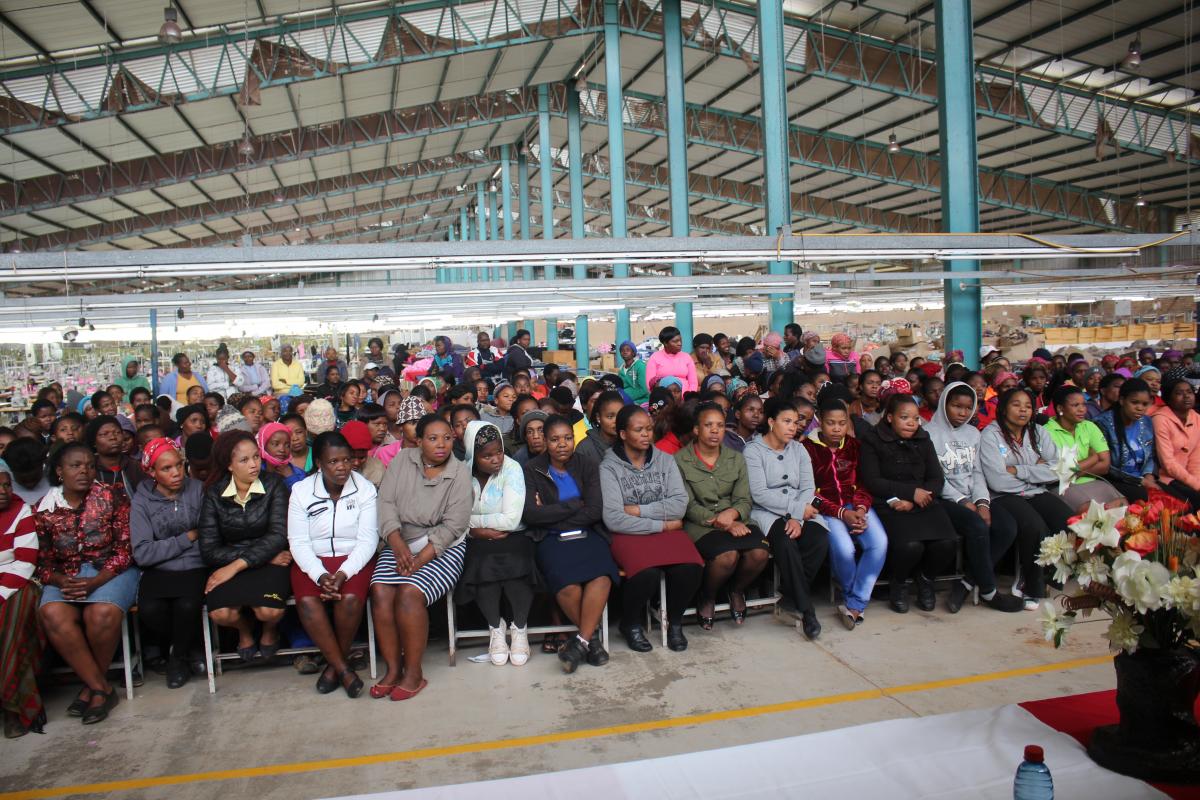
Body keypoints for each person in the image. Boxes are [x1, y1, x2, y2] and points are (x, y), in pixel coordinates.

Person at [370, 414, 472, 700]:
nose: (441, 445)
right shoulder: (403, 461)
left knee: (409, 592)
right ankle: (393, 669)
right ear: (418, 441)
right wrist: (395, 541)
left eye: (447, 438)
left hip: (442, 548)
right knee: (380, 591)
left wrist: (418, 560)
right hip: (399, 541)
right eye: (433, 438)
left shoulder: (460, 472)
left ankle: (413, 672)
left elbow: (453, 526)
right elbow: (386, 502)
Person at [36, 443, 137, 725]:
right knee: (52, 613)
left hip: (110, 571)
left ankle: (92, 688)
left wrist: (97, 581)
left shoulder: (111, 496)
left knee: (100, 613)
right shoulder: (44, 510)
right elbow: (42, 562)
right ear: (59, 471)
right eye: (75, 465)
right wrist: (59, 579)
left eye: (89, 466)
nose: (84, 470)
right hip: (65, 575)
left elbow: (125, 549)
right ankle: (100, 687)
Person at [599, 406, 702, 653]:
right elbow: (614, 518)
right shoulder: (609, 467)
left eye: (649, 428)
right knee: (646, 573)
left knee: (691, 567)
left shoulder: (665, 460)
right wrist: (661, 524)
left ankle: (674, 621)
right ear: (623, 434)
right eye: (639, 430)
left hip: (657, 529)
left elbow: (679, 504)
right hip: (629, 534)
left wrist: (638, 509)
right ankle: (631, 623)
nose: (646, 434)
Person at [522, 415, 619, 672]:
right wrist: (574, 506)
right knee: (568, 586)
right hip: (552, 539)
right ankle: (592, 641)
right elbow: (531, 514)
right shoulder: (532, 469)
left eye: (567, 438)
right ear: (545, 441)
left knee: (601, 576)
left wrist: (553, 512)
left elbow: (596, 510)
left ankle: (582, 642)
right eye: (554, 439)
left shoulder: (587, 464)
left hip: (588, 533)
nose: (562, 444)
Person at [287, 432, 376, 698]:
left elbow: (368, 539)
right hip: (313, 561)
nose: (342, 467)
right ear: (319, 464)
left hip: (353, 559)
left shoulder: (365, 489)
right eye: (333, 462)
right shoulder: (301, 492)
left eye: (346, 460)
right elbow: (298, 542)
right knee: (307, 602)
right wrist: (320, 575)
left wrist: (343, 573)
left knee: (349, 598)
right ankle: (343, 668)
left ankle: (332, 669)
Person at [923, 382, 1024, 613]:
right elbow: (936, 478)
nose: (962, 413)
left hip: (973, 496)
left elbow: (978, 471)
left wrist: (981, 502)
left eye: (968, 408)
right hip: (945, 499)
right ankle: (989, 591)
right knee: (978, 526)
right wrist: (963, 502)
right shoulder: (929, 433)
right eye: (957, 406)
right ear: (944, 404)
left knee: (1007, 526)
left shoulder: (973, 433)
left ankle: (966, 583)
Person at [858, 394, 958, 614]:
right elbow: (872, 481)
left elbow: (936, 478)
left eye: (915, 418)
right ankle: (899, 583)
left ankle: (925, 579)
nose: (911, 423)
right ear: (890, 417)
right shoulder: (872, 439)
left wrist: (916, 499)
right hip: (889, 500)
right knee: (910, 546)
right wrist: (910, 493)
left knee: (947, 543)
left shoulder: (923, 438)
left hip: (922, 501)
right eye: (905, 417)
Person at [198, 430, 292, 663]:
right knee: (221, 614)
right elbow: (209, 548)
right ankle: (245, 630)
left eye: (256, 457)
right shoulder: (214, 494)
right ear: (229, 465)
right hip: (245, 560)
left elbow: (278, 536)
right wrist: (256, 559)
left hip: (256, 561)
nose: (253, 465)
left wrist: (238, 564)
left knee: (269, 611)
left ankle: (270, 630)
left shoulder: (275, 485)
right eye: (244, 460)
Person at [978, 388, 1075, 609]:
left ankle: (1047, 574)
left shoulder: (1039, 432)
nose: (1023, 410)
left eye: (1028, 406)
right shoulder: (990, 435)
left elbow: (1060, 468)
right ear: (1003, 408)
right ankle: (1030, 585)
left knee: (1069, 523)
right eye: (1016, 405)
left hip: (1034, 491)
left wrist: (1018, 470)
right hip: (1004, 495)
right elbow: (998, 480)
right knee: (1034, 526)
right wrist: (1036, 471)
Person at [675, 402, 767, 630]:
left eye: (719, 425)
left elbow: (744, 499)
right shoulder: (679, 460)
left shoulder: (736, 458)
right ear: (696, 430)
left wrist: (733, 514)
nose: (715, 431)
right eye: (708, 425)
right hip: (702, 524)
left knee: (759, 553)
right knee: (728, 556)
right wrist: (721, 522)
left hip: (736, 519)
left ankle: (736, 589)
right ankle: (708, 596)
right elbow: (688, 505)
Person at [744, 399, 830, 639]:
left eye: (796, 422)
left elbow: (807, 487)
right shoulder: (753, 451)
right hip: (767, 511)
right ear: (771, 422)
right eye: (787, 421)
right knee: (785, 542)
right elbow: (759, 493)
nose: (793, 427)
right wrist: (794, 511)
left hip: (800, 510)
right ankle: (807, 610)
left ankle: (790, 595)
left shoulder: (799, 449)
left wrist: (797, 517)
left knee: (819, 538)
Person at [802, 397, 887, 627]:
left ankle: (854, 603)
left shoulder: (854, 447)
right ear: (820, 421)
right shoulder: (806, 449)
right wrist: (842, 514)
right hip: (827, 510)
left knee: (879, 542)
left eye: (842, 423)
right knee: (844, 548)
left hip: (856, 507)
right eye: (831, 423)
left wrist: (859, 508)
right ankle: (855, 601)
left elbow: (863, 483)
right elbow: (809, 492)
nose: (837, 428)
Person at [129, 438, 206, 689]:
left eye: (179, 465)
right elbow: (142, 552)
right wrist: (187, 537)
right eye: (166, 468)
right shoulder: (142, 501)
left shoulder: (197, 490)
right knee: (150, 610)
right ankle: (188, 645)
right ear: (151, 472)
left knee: (187, 604)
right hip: (159, 570)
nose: (176, 473)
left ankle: (177, 658)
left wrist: (166, 546)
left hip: (195, 565)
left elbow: (207, 534)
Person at [454, 422, 533, 667]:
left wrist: (470, 523)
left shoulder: (512, 469)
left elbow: (511, 519)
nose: (495, 459)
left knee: (516, 564)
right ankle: (495, 629)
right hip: (476, 539)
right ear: (472, 455)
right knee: (481, 563)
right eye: (486, 455)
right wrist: (474, 531)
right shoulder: (461, 473)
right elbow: (454, 516)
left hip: (513, 536)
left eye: (498, 451)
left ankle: (519, 628)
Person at [0, 458, 43, 737]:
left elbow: (25, 562)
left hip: (18, 583)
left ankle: (13, 707)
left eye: (6, 484)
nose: (4, 490)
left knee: (9, 624)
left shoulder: (21, 510)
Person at [1044, 385, 1124, 512]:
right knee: (1090, 512)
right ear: (1060, 408)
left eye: (1083, 404)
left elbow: (1105, 465)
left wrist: (1077, 471)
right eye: (1076, 405)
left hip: (1092, 482)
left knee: (1122, 504)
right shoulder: (1046, 432)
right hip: (1063, 487)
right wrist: (1093, 458)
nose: (1082, 410)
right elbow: (1062, 473)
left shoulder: (1089, 426)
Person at [1094, 378, 1158, 502]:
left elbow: (1151, 455)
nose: (1140, 408)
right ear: (1122, 400)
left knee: (1181, 502)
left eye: (1145, 404)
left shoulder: (1146, 421)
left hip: (1142, 478)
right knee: (1153, 502)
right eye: (1135, 403)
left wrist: (1149, 476)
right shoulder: (1102, 424)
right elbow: (1106, 466)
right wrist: (1141, 481)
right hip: (1115, 480)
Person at [1153, 377, 1200, 508]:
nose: (1186, 396)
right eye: (1179, 393)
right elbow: (1168, 464)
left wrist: (1196, 482)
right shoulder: (1160, 419)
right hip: (1166, 478)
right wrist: (1195, 485)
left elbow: (1196, 457)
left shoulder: (1196, 418)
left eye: (1189, 392)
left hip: (1188, 477)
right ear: (1168, 398)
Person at [88, 416, 144, 499]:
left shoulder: (136, 467)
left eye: (117, 432)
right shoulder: (89, 469)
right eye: (105, 434)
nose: (113, 437)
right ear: (94, 442)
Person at [574, 390, 623, 471]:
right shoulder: (584, 448)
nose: (616, 421)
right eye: (610, 416)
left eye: (620, 415)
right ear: (598, 418)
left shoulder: (629, 443)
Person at [646, 326, 698, 393]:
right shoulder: (655, 358)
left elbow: (693, 383)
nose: (679, 343)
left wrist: (689, 397)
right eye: (675, 341)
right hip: (663, 398)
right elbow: (649, 384)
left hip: (686, 398)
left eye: (680, 340)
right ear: (665, 343)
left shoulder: (686, 357)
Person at [258, 421, 306, 489]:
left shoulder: (299, 474)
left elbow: (303, 497)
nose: (282, 450)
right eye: (276, 444)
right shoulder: (256, 472)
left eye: (287, 445)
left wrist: (290, 477)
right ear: (264, 445)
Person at [618, 340, 649, 405]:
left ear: (633, 353)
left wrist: (624, 396)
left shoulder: (640, 366)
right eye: (622, 350)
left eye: (628, 350)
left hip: (642, 400)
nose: (625, 352)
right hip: (625, 399)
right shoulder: (621, 370)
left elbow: (644, 389)